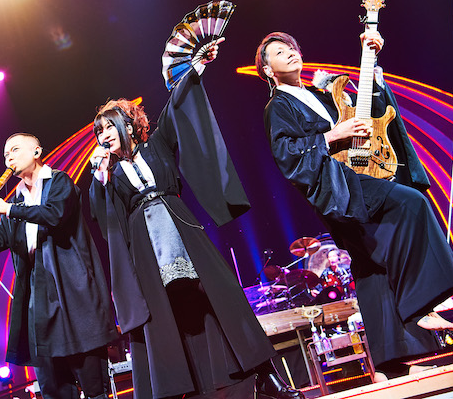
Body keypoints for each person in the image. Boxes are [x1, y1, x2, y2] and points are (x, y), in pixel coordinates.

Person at [89, 41, 304, 399]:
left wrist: (195, 68)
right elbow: (103, 217)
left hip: (181, 228)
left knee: (224, 299)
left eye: (109, 127)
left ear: (128, 124)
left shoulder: (156, 144)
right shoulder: (106, 175)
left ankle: (268, 379)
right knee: (164, 317)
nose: (104, 135)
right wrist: (100, 178)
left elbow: (176, 107)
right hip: (145, 245)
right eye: (99, 132)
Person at [255, 31, 453, 379]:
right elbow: (287, 157)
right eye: (279, 52)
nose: (290, 53)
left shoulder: (321, 95)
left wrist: (372, 65)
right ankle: (422, 303)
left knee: (372, 264)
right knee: (411, 204)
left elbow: (370, 113)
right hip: (338, 189)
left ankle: (391, 362)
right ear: (267, 70)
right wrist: (332, 135)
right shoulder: (278, 107)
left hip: (358, 174)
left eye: (292, 47)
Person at [0, 133, 118, 399]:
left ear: (36, 152)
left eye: (14, 150)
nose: (8, 157)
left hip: (71, 287)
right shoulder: (17, 198)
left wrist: (7, 209)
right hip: (38, 294)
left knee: (93, 385)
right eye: (5, 154)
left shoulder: (59, 181)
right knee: (53, 388)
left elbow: (54, 214)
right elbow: (1, 238)